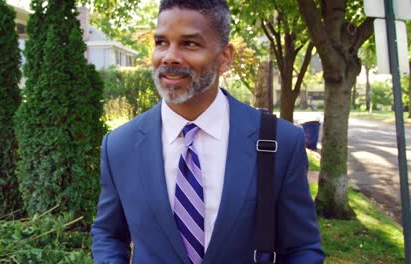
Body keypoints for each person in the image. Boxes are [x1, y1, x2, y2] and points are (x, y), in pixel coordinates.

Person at [90, 0, 325, 263]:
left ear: (225, 57)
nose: (169, 56)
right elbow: (108, 234)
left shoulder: (279, 142)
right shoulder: (120, 146)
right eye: (161, 42)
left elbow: (301, 248)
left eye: (189, 44)